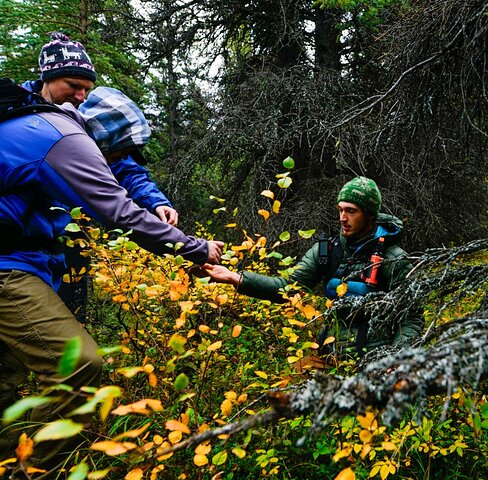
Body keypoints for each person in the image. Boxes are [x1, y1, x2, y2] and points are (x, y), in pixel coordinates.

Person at [0, 78, 224, 470]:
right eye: (120, 151)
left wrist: (154, 201)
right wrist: (192, 247)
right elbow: (118, 212)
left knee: (5, 375)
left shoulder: (50, 123)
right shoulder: (65, 139)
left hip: (21, 258)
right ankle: (34, 472)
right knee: (78, 363)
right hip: (8, 266)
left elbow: (125, 170)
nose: (120, 160)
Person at [21, 33, 179, 321]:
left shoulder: (89, 115)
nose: (81, 96)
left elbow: (124, 166)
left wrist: (156, 202)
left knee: (72, 311)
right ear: (48, 78)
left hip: (70, 233)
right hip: (20, 241)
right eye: (73, 86)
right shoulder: (19, 114)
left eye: (86, 88)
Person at [202, 176, 424, 357]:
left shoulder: (394, 259)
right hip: (329, 355)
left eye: (351, 211)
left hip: (374, 361)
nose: (343, 218)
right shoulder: (327, 251)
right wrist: (235, 277)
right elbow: (287, 288)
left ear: (370, 215)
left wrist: (396, 361)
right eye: (340, 210)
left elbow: (411, 318)